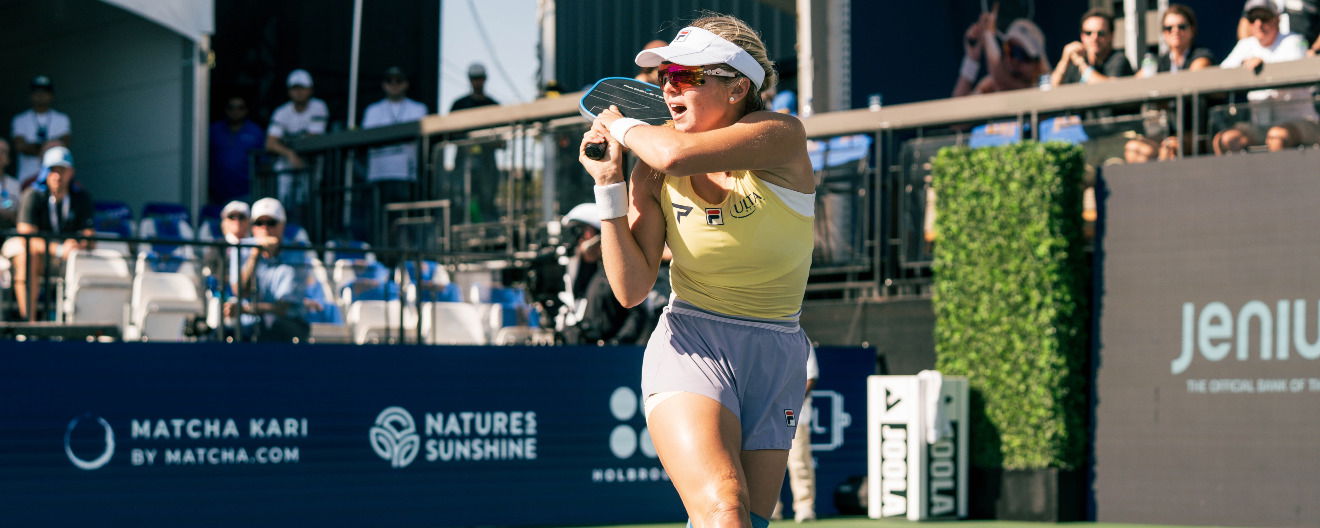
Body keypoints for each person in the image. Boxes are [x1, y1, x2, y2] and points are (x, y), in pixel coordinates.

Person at [579, 15, 815, 528]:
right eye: (665, 75)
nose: (668, 87)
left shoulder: (781, 135)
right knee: (724, 508)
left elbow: (673, 153)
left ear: (738, 88)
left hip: (777, 350)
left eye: (686, 76)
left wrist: (619, 124)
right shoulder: (652, 166)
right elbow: (630, 288)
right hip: (692, 341)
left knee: (743, 521)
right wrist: (609, 185)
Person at [1, 147, 94, 320]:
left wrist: (77, 245)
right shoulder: (32, 195)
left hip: (66, 258)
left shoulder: (81, 197)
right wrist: (59, 249)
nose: (57, 176)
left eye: (62, 170)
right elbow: (26, 237)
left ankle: (81, 323)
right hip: (38, 254)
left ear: (71, 172)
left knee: (89, 259)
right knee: (27, 256)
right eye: (52, 170)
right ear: (44, 172)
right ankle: (29, 324)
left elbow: (89, 235)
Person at [224, 197, 312, 342]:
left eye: (271, 223)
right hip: (249, 326)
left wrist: (244, 309)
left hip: (289, 326)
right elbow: (240, 291)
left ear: (282, 225)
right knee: (221, 335)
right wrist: (254, 254)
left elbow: (282, 308)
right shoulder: (242, 248)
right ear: (252, 227)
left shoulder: (297, 252)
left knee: (272, 328)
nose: (265, 228)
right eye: (259, 223)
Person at [1221, 0, 1316, 129]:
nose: (1258, 24)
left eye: (1264, 17)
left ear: (1277, 19)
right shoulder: (1245, 45)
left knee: (1276, 136)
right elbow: (1221, 75)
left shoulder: (1295, 40)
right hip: (1261, 127)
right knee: (1228, 138)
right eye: (1253, 19)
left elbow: (1290, 72)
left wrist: (1262, 64)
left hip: (1299, 122)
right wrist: (1243, 64)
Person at [362, 66, 429, 238]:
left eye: (398, 80)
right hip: (379, 174)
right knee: (379, 224)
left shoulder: (418, 108)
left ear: (406, 84)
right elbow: (367, 138)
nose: (394, 84)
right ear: (384, 85)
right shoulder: (372, 110)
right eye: (389, 81)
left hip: (406, 174)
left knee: (406, 224)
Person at [266, 69, 329, 225]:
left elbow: (313, 138)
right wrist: (290, 154)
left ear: (310, 90)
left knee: (308, 200)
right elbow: (270, 143)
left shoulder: (318, 106)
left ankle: (308, 230)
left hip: (312, 162)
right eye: (295, 88)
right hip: (287, 163)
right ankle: (283, 229)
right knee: (283, 200)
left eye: (302, 88)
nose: (298, 92)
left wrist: (289, 146)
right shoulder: (282, 111)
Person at [954, 8, 1050, 96]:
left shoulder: (1043, 89)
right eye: (1010, 49)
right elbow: (958, 104)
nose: (1015, 60)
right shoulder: (990, 86)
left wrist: (987, 34)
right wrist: (971, 59)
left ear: (1037, 65)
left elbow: (1000, 76)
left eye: (1022, 54)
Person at [449, 63, 502, 222]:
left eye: (480, 78)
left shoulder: (493, 105)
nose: (477, 82)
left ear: (485, 79)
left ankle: (486, 227)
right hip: (464, 160)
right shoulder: (459, 105)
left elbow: (501, 138)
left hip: (487, 162)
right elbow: (450, 133)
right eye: (474, 78)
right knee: (463, 196)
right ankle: (464, 225)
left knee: (487, 198)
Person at [772, 345, 819, 523]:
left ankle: (805, 507)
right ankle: (769, 508)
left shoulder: (802, 342)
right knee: (766, 458)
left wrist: (788, 402)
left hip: (790, 413)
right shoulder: (763, 339)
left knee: (798, 459)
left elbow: (810, 377)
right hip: (766, 414)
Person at [12, 75, 72, 188]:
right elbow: (20, 146)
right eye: (37, 92)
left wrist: (35, 147)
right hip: (27, 176)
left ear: (51, 95)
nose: (40, 95)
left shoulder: (62, 119)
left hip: (55, 177)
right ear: (31, 95)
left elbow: (64, 145)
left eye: (45, 92)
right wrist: (51, 146)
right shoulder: (20, 120)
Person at [1050, 9, 1133, 87]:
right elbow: (1051, 88)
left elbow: (1108, 88)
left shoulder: (1118, 59)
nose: (1094, 38)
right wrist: (1064, 60)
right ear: (1082, 36)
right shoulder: (1075, 62)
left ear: (1111, 36)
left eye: (1101, 33)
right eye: (1088, 33)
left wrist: (1081, 64)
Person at [209, 95, 265, 206]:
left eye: (240, 108)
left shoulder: (255, 131)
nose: (235, 111)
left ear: (246, 110)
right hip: (217, 194)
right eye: (231, 107)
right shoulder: (214, 130)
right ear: (226, 110)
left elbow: (263, 162)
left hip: (246, 192)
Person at [1144, 4, 1215, 75]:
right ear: (1164, 33)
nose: (1175, 31)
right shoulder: (1159, 62)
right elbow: (1141, 78)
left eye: (1181, 27)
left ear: (1192, 30)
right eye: (1169, 28)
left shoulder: (1202, 55)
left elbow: (1194, 76)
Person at [0, 138, 20, 231]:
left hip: (9, 232)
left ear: (8, 159)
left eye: (3, 151)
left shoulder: (15, 185)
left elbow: (20, 215)